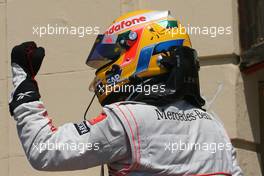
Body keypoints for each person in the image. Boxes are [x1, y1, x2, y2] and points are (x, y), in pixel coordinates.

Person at [9, 10, 243, 176]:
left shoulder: (129, 121)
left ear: (142, 52)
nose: (108, 64)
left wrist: (23, 80)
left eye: (113, 55)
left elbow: (44, 149)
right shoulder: (213, 125)